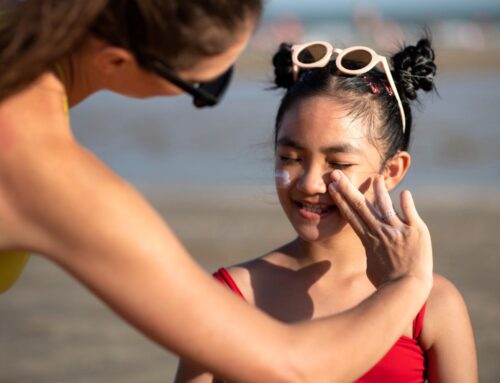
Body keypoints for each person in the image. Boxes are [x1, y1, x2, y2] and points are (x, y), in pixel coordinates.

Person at [0, 1, 433, 381]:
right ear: (114, 60)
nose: (309, 181)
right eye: (207, 88)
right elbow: (290, 368)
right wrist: (408, 284)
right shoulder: (37, 164)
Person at [176, 38, 477, 382]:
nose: (308, 183)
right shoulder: (231, 296)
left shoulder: (433, 302)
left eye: (338, 162)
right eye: (290, 158)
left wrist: (407, 285)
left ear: (392, 171)